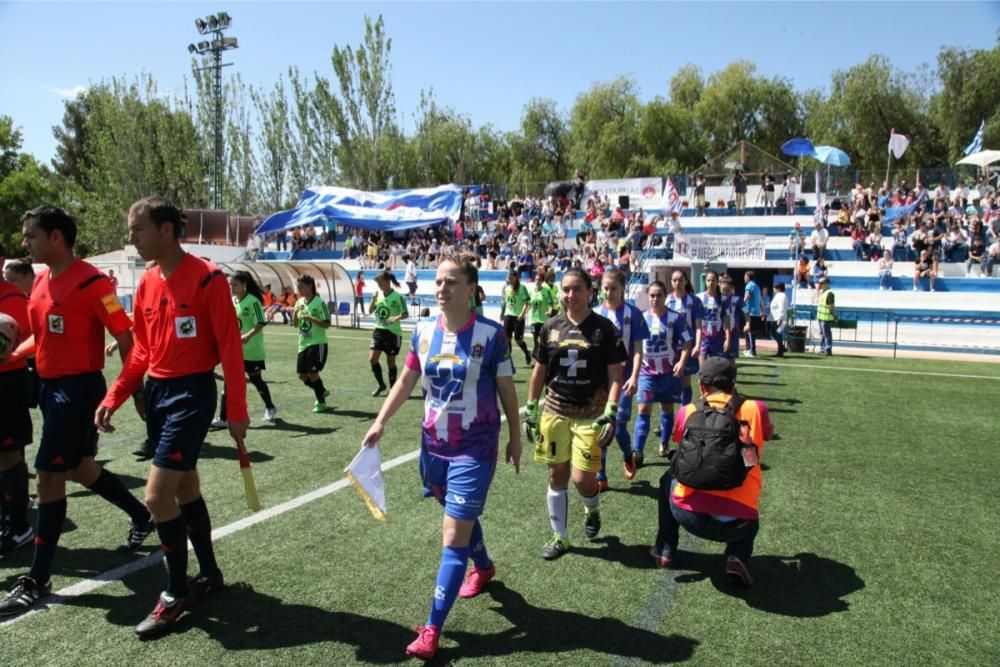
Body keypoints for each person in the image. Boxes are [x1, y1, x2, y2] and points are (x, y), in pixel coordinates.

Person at [94, 196, 247, 636]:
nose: (132, 239)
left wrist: (236, 411)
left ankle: (175, 591)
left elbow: (230, 349)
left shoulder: (208, 279)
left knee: (157, 498)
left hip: (193, 393)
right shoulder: (146, 283)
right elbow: (141, 348)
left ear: (165, 230)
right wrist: (115, 395)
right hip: (158, 394)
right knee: (186, 489)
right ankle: (211, 575)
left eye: (137, 230)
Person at [361, 256, 521, 661]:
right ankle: (483, 565)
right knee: (455, 514)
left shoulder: (493, 334)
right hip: (432, 446)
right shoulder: (424, 329)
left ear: (471, 289)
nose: (442, 288)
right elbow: (406, 379)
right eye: (438, 281)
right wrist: (380, 422)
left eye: (452, 282)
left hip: (476, 446)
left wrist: (516, 436)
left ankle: (432, 629)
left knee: (452, 536)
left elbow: (506, 389)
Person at [0, 206, 155, 618]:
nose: (24, 243)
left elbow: (125, 335)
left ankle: (38, 577)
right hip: (49, 389)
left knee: (49, 477)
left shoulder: (93, 282)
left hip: (78, 390)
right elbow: (43, 337)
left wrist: (132, 391)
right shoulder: (39, 283)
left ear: (56, 237)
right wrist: (15, 350)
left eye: (31, 236)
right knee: (81, 469)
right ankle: (143, 515)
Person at [525, 268, 625, 560]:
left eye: (576, 289)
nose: (570, 295)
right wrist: (532, 409)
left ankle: (591, 510)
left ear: (589, 291)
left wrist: (611, 412)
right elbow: (540, 370)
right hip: (555, 412)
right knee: (557, 475)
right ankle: (561, 537)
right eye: (566, 289)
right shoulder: (550, 327)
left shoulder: (605, 329)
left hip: (590, 416)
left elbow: (616, 375)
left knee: (583, 480)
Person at [650, 358, 771, 586]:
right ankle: (737, 555)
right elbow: (768, 433)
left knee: (668, 478)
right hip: (739, 523)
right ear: (733, 383)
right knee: (749, 489)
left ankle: (664, 549)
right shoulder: (756, 409)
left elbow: (679, 440)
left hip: (690, 515)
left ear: (701, 385)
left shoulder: (688, 411)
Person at [594, 268, 649, 490]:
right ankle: (601, 476)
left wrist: (635, 377)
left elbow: (637, 350)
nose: (609, 293)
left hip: (624, 379)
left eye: (613, 288)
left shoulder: (633, 314)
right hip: (600, 381)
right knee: (601, 427)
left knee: (617, 428)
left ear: (623, 288)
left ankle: (628, 455)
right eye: (605, 288)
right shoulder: (595, 314)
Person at [633, 280, 693, 462]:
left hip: (668, 373)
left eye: (659, 295)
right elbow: (635, 346)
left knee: (667, 408)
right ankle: (638, 451)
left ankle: (664, 444)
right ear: (647, 297)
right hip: (646, 372)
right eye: (652, 295)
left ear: (665, 297)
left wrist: (682, 363)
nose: (655, 299)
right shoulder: (641, 318)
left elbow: (687, 343)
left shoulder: (676, 318)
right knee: (643, 408)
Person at [211, 271, 277, 426]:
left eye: (235, 285)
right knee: (228, 382)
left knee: (256, 380)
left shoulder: (253, 301)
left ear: (244, 285)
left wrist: (247, 335)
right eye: (230, 285)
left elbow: (261, 322)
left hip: (252, 349)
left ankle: (270, 407)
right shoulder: (232, 301)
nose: (232, 288)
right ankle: (223, 418)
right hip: (235, 350)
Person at [0, 249, 32, 555]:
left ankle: (19, 524)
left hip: (8, 382)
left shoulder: (12, 298)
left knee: (9, 454)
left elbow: (31, 338)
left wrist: (10, 350)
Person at [294, 275, 332, 412]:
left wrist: (311, 318)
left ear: (310, 286)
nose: (299, 290)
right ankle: (321, 390)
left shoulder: (319, 302)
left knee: (313, 373)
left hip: (317, 343)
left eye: (301, 287)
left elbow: (327, 324)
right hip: (302, 343)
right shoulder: (299, 302)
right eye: (298, 288)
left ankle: (321, 403)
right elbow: (295, 324)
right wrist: (295, 314)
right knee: (302, 375)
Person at [368, 270, 407, 397]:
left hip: (393, 333)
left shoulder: (397, 297)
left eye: (380, 283)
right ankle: (381, 384)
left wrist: (395, 318)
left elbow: (405, 314)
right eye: (377, 284)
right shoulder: (377, 295)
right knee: (372, 359)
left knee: (390, 362)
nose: (379, 286)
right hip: (378, 330)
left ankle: (393, 388)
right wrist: (373, 299)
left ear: (387, 281)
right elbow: (370, 311)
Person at [665, 271, 702, 405]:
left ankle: (684, 414)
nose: (677, 283)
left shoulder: (694, 301)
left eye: (680, 280)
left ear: (686, 281)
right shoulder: (667, 300)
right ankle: (669, 419)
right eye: (674, 280)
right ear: (671, 282)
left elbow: (698, 326)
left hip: (688, 347)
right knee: (669, 381)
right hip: (670, 348)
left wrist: (697, 345)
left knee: (685, 382)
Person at [698, 271, 731, 364]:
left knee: (716, 370)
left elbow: (726, 321)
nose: (711, 283)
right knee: (703, 371)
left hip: (717, 338)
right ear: (705, 282)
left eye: (713, 280)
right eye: (708, 280)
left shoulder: (724, 299)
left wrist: (728, 339)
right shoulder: (698, 298)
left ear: (718, 282)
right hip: (703, 338)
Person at [500, 271, 531, 367]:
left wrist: (522, 314)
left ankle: (526, 352)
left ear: (516, 278)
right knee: (507, 339)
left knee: (518, 339)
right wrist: (502, 314)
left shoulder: (522, 288)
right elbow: (505, 303)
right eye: (508, 278)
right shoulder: (506, 288)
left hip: (518, 317)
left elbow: (527, 303)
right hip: (508, 315)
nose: (510, 280)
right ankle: (508, 360)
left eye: (511, 278)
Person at [528, 266, 557, 359]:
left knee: (543, 339)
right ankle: (537, 354)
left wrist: (549, 311)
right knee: (535, 338)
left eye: (539, 280)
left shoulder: (546, 291)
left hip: (543, 320)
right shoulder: (532, 291)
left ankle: (541, 357)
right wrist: (523, 313)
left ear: (542, 281)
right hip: (533, 319)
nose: (537, 281)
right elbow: (529, 304)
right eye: (536, 279)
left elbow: (551, 304)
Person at [741, 271, 763, 358]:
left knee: (750, 332)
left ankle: (752, 351)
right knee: (746, 330)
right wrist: (762, 311)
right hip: (756, 312)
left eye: (745, 276)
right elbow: (760, 300)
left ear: (748, 277)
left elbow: (747, 296)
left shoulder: (749, 285)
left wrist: (740, 304)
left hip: (751, 312)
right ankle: (748, 349)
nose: (744, 278)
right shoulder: (757, 286)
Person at [817, 276, 836, 356]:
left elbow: (831, 306)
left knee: (827, 334)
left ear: (826, 283)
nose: (819, 285)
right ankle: (823, 349)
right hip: (821, 317)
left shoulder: (829, 293)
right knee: (823, 334)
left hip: (826, 318)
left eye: (821, 283)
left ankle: (828, 349)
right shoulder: (823, 292)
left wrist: (834, 315)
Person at [769, 282, 788, 357]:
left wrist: (780, 318)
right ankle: (781, 348)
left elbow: (781, 307)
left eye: (775, 287)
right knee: (774, 333)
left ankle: (780, 350)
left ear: (779, 288)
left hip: (778, 318)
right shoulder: (778, 295)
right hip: (775, 318)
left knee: (777, 333)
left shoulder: (781, 296)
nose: (773, 289)